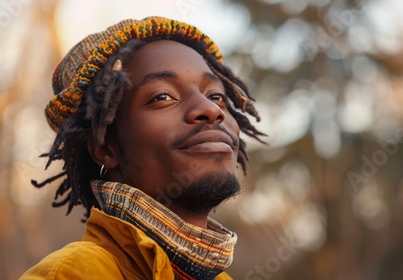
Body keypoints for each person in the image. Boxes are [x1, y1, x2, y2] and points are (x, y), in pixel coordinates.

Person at [20, 16, 265, 279]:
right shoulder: (76, 272)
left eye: (216, 96)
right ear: (106, 147)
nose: (211, 109)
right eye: (162, 96)